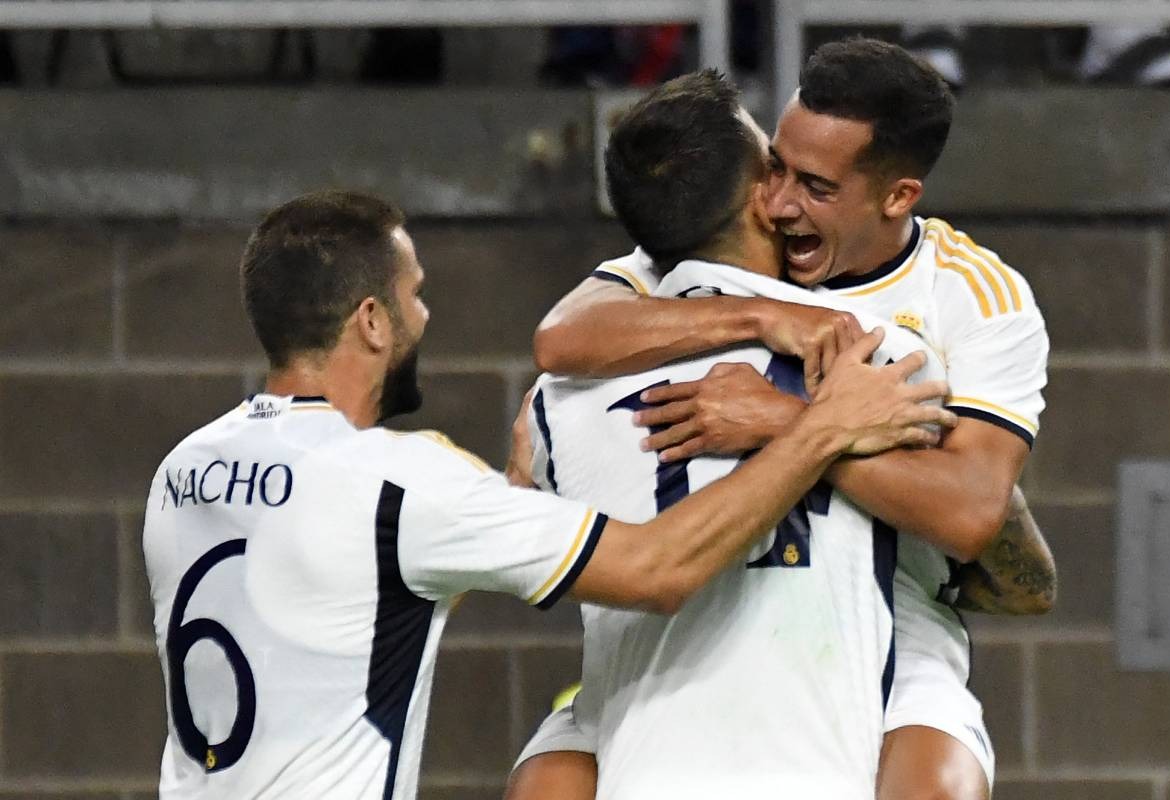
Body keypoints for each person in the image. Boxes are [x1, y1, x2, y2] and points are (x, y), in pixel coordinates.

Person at [140, 190, 951, 800]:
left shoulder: (183, 469)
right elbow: (656, 572)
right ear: (372, 323)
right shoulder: (401, 483)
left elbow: (336, 595)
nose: (426, 314)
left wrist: (517, 492)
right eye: (415, 294)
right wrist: (819, 430)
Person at [511, 39, 1054, 800]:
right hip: (682, 624)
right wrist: (765, 316)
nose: (780, 203)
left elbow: (970, 512)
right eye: (777, 168)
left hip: (884, 622)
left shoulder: (970, 297)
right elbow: (560, 338)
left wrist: (784, 423)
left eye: (817, 187)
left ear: (898, 196)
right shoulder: (677, 260)